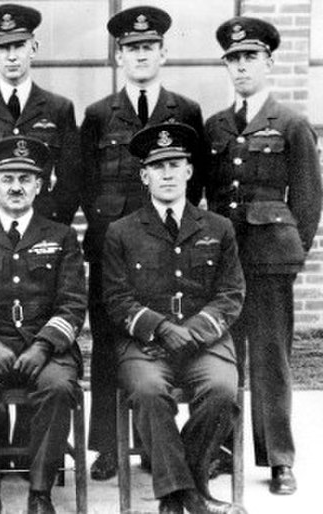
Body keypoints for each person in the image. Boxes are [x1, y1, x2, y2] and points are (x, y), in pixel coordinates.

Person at [80, 5, 207, 481]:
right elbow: (85, 183)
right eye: (131, 48)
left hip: (169, 250)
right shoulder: (98, 115)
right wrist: (107, 232)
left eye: (148, 47)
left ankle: (160, 445)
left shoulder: (185, 112)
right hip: (111, 250)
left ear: (163, 52)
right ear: (119, 57)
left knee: (166, 342)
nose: (140, 55)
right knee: (111, 343)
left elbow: (195, 187)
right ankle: (110, 445)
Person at [205, 16, 322, 495]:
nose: (241, 67)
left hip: (271, 259)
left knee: (271, 357)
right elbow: (207, 196)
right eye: (233, 59)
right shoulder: (215, 126)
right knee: (223, 356)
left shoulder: (290, 123)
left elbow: (309, 200)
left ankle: (279, 458)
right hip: (224, 262)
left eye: (250, 57)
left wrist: (292, 252)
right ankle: (224, 450)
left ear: (269, 61)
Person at [103, 122, 247, 514]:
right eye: (158, 166)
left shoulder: (219, 228)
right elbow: (116, 299)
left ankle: (178, 487)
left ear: (189, 171)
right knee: (149, 392)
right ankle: (189, 497)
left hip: (206, 343)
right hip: (146, 345)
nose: (167, 174)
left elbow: (231, 294)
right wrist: (161, 328)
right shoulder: (121, 232)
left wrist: (194, 332)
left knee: (221, 390)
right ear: (144, 175)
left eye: (176, 164)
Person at [0, 135, 86, 514]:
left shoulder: (61, 237)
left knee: (58, 387)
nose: (16, 187)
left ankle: (40, 492)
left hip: (48, 347)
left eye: (26, 178)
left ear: (40, 186)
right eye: (7, 178)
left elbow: (72, 304)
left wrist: (43, 346)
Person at [0, 3, 81, 227]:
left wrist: (54, 221)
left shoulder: (59, 109)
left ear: (34, 48)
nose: (11, 56)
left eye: (19, 46)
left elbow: (71, 179)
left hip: (42, 226)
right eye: (3, 48)